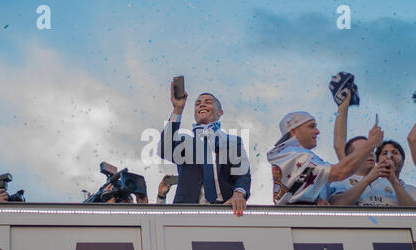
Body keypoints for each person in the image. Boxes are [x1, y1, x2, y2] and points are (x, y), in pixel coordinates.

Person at [157, 79, 251, 216]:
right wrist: (177, 109)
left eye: (208, 102)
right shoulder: (185, 141)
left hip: (226, 209)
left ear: (220, 112)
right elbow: (164, 149)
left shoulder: (233, 141)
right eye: (197, 103)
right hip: (187, 212)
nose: (202, 105)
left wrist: (239, 193)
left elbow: (242, 175)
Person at [266, 96, 383, 205]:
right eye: (311, 126)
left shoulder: (292, 157)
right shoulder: (294, 155)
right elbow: (340, 172)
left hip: (298, 221)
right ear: (293, 131)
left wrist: (321, 202)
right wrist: (371, 144)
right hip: (297, 222)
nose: (317, 131)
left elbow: (300, 191)